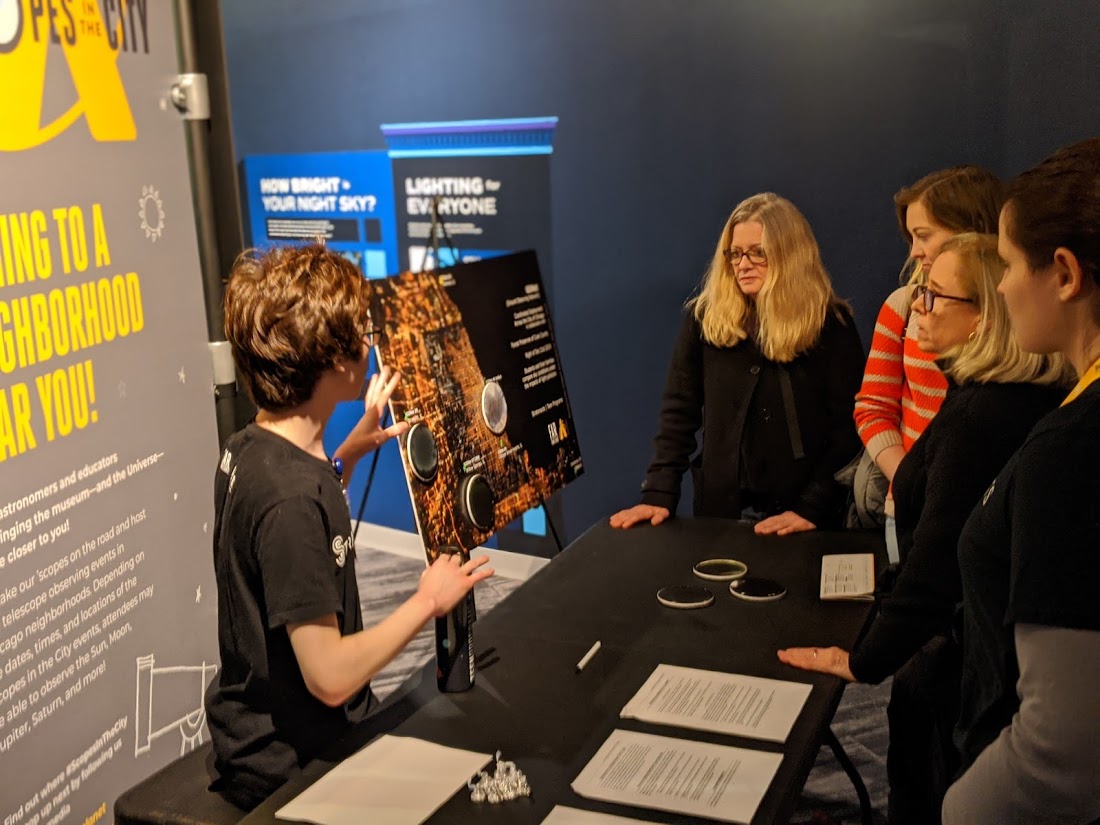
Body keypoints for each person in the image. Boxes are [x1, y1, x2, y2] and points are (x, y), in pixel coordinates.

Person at [778, 233, 1068, 824]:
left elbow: (938, 564)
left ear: (986, 316)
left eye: (934, 295)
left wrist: (863, 662)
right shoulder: (992, 394)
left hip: (958, 672)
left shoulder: (981, 416)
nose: (917, 307)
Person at [204, 244, 494, 809]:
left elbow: (281, 543)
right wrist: (426, 603)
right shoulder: (290, 501)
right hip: (289, 761)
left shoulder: (253, 448)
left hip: (259, 730)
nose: (369, 343)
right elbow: (330, 676)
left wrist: (344, 459)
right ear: (336, 363)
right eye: (360, 332)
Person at [944, 138, 1100, 824]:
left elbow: (1058, 761)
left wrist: (960, 807)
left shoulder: (1070, 453)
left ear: (1063, 272)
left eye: (1006, 263)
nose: (1000, 285)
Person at [610, 192, 864, 535]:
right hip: (720, 512)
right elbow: (678, 414)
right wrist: (658, 491)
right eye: (735, 254)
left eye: (758, 253)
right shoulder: (705, 319)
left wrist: (814, 506)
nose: (743, 264)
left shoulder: (831, 327)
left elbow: (847, 432)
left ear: (789, 254)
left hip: (805, 519)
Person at [850, 167, 1004, 529]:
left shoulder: (1022, 315)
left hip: (988, 514)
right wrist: (909, 482)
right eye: (911, 238)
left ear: (970, 231)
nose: (915, 251)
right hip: (910, 509)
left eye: (924, 235)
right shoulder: (903, 306)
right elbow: (872, 406)